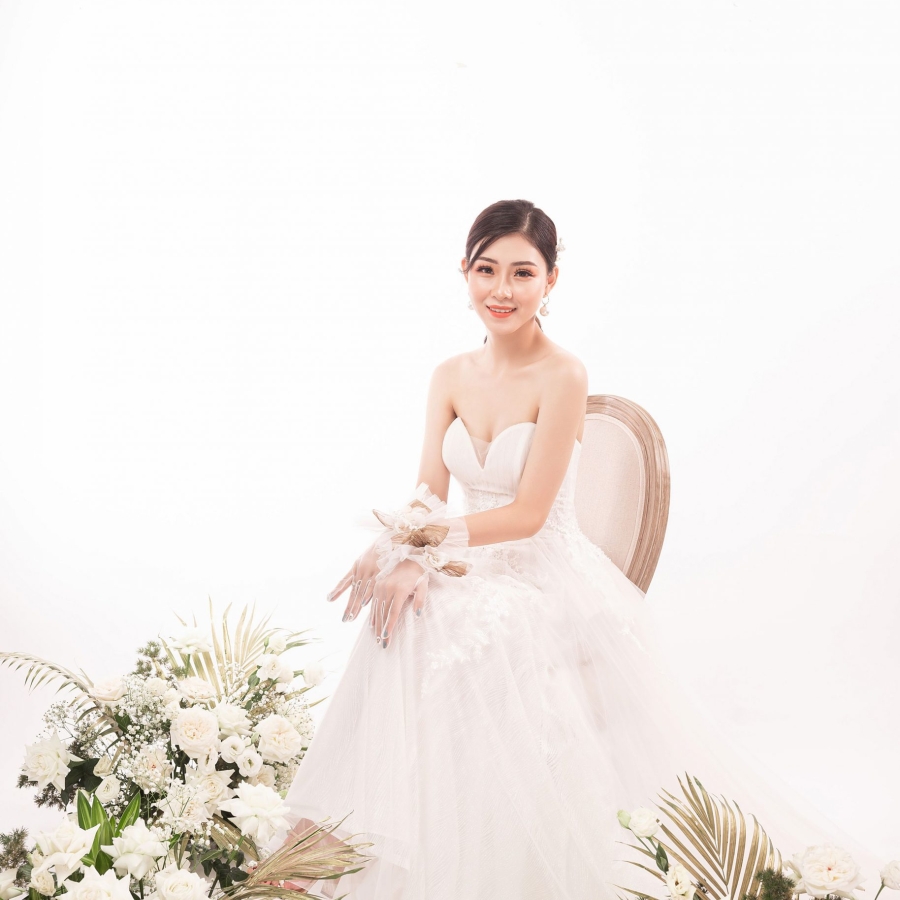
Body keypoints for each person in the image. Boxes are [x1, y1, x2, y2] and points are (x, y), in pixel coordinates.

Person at [267, 200, 882, 899]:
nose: (502, 289)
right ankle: (338, 843)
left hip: (545, 572)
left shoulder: (562, 374)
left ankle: (393, 848)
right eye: (487, 269)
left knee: (446, 616)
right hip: (473, 561)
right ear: (464, 271)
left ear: (551, 280)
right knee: (404, 607)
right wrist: (395, 547)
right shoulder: (449, 374)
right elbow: (429, 492)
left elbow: (528, 515)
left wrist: (424, 548)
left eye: (522, 272)